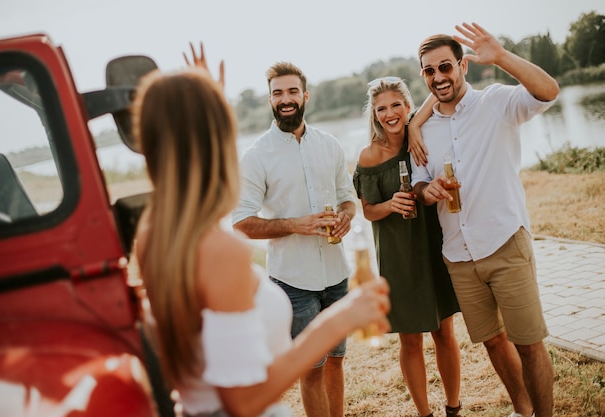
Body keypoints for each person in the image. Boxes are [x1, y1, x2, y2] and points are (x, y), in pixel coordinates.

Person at [133, 44, 391, 417]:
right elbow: (243, 402)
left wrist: (205, 101)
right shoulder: (222, 249)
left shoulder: (153, 230)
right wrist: (340, 319)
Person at [410, 23, 558, 417]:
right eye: (429, 70)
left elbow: (548, 92)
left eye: (445, 67)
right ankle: (522, 410)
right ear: (422, 75)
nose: (438, 76)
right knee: (493, 342)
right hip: (458, 255)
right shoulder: (421, 129)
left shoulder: (496, 103)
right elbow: (420, 186)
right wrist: (429, 192)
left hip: (504, 241)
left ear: (462, 67)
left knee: (529, 343)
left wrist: (503, 56)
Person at [231, 61, 356, 417]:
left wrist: (347, 215)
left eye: (291, 92)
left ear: (305, 96)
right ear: (270, 100)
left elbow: (347, 196)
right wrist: (296, 225)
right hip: (293, 283)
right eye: (277, 93)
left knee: (336, 360)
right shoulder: (256, 156)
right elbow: (242, 223)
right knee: (310, 369)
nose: (285, 99)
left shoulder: (330, 145)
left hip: (337, 275)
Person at [353, 77, 461, 417]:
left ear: (408, 105)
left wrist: (416, 124)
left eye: (396, 105)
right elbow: (368, 210)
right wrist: (390, 205)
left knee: (444, 330)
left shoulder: (423, 139)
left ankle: (454, 408)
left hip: (433, 243)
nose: (389, 114)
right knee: (411, 339)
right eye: (381, 108)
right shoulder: (369, 156)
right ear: (374, 114)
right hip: (397, 254)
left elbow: (437, 95)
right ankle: (424, 414)